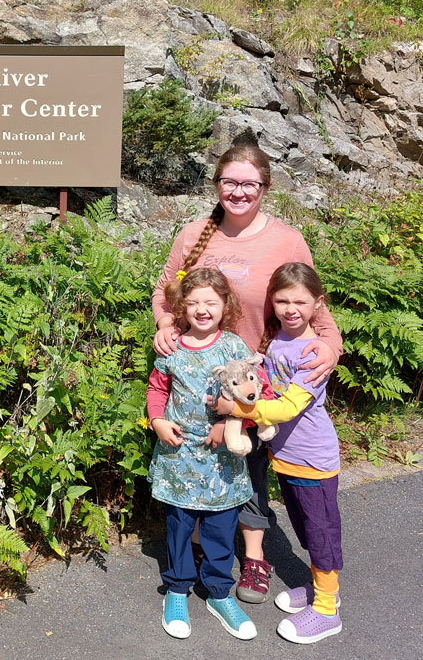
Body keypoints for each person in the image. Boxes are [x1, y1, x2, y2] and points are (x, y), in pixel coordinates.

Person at [151, 143, 342, 604]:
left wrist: (332, 346)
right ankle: (200, 549)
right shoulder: (194, 232)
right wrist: (163, 323)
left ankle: (254, 558)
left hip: (257, 381)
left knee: (250, 468)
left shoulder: (286, 240)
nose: (238, 192)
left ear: (265, 187)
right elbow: (164, 290)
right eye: (228, 182)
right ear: (216, 184)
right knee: (200, 460)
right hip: (194, 376)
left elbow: (312, 302)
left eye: (248, 184)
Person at [210, 263, 343, 644]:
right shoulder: (276, 341)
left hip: (314, 460)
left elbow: (285, 408)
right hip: (284, 458)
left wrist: (236, 410)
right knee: (304, 529)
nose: (290, 308)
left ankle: (327, 608)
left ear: (318, 303)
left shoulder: (313, 352)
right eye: (281, 300)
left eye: (300, 301)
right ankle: (318, 586)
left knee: (321, 533)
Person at [147, 267, 257, 641]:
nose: (202, 309)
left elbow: (256, 396)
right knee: (179, 525)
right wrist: (157, 420)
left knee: (221, 527)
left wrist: (228, 421)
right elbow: (156, 388)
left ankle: (219, 592)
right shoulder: (171, 345)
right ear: (181, 307)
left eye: (210, 302)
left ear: (225, 305)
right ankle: (177, 589)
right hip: (178, 455)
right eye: (192, 303)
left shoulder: (235, 348)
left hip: (222, 458)